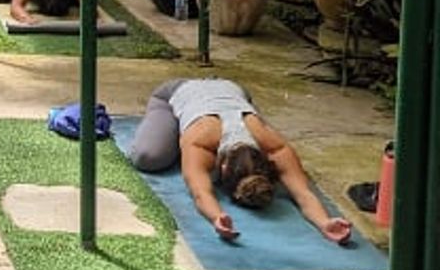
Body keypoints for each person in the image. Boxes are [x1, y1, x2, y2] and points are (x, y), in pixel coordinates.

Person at [124, 77, 354, 245]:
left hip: (235, 90)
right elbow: (200, 193)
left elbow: (304, 193)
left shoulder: (275, 147)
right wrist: (215, 215)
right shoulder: (201, 142)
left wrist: (325, 223)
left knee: (251, 121)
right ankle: (171, 116)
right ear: (221, 167)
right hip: (177, 91)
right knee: (149, 157)